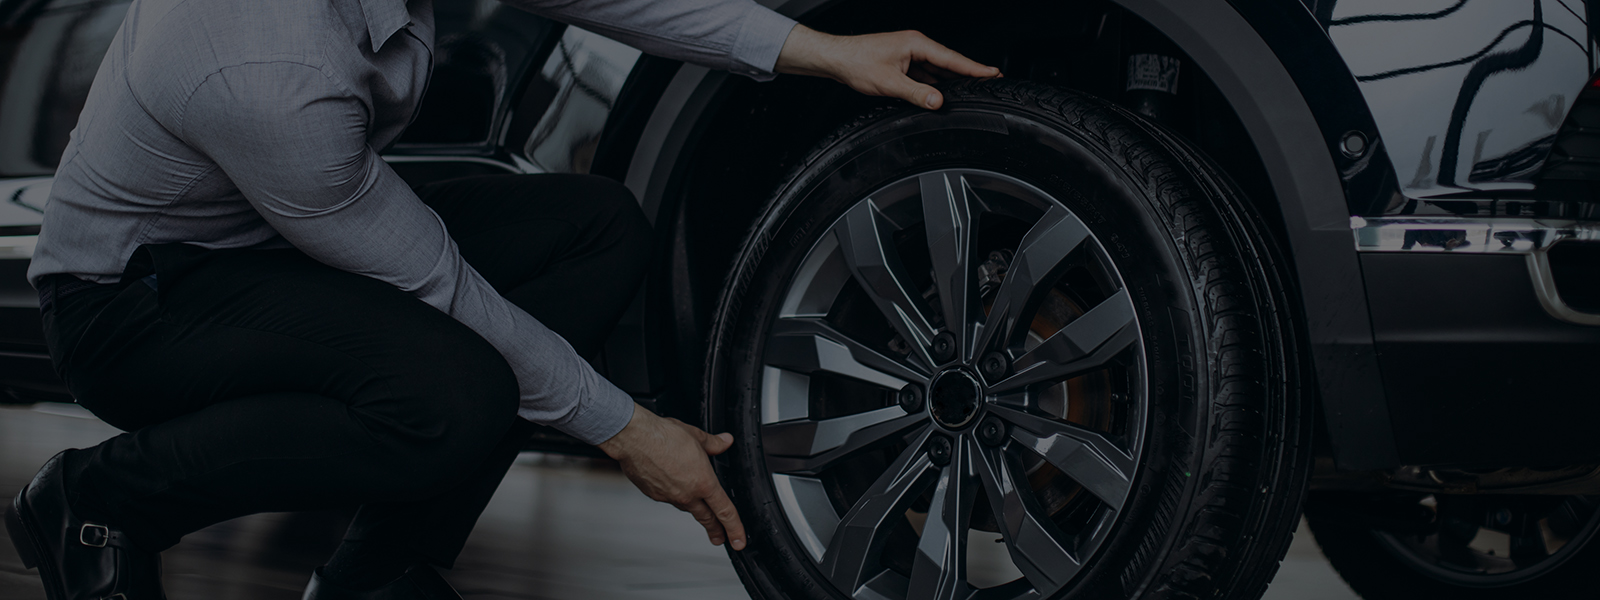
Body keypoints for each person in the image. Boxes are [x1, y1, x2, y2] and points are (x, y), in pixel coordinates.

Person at [2, 0, 999, 597]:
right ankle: (100, 499)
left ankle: (375, 578)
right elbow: (434, 280)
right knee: (455, 398)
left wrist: (816, 48)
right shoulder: (263, 66)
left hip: (270, 238)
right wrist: (626, 430)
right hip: (135, 303)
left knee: (594, 226)